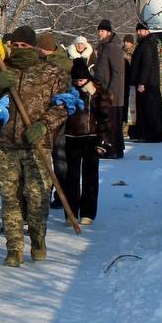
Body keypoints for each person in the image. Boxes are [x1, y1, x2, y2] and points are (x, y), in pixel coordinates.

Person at [0, 25, 68, 266]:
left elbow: (63, 105)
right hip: (4, 145)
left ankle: (38, 238)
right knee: (9, 199)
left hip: (37, 145)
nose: (19, 50)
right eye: (15, 46)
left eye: (25, 46)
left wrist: (44, 125)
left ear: (34, 48)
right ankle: (14, 248)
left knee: (37, 197)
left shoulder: (51, 73)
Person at [60, 60, 113, 223]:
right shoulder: (68, 93)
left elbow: (106, 118)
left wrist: (103, 140)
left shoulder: (97, 92)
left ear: (87, 78)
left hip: (91, 137)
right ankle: (71, 212)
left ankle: (88, 213)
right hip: (71, 138)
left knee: (90, 176)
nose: (78, 84)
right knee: (71, 177)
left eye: (81, 81)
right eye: (75, 81)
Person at [92, 19, 127, 159]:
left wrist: (111, 92)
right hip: (104, 90)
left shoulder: (112, 47)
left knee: (112, 123)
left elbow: (117, 71)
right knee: (109, 123)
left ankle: (113, 151)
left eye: (102, 31)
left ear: (109, 32)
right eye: (99, 31)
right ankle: (113, 149)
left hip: (112, 94)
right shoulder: (103, 47)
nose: (100, 33)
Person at [129, 21, 162, 142]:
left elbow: (146, 65)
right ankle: (147, 133)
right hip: (147, 83)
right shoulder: (144, 43)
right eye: (138, 30)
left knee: (150, 110)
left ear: (147, 31)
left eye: (141, 30)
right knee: (146, 110)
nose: (139, 32)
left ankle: (153, 135)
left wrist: (142, 82)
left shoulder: (148, 44)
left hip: (148, 84)